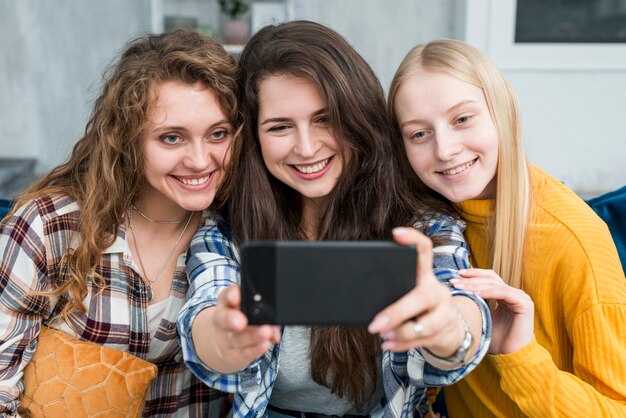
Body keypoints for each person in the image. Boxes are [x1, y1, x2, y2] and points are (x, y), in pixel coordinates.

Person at [177, 21, 492, 417]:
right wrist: (225, 336)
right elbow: (205, 315)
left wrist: (448, 329)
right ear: (254, 137)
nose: (307, 148)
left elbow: (461, 309)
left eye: (325, 119)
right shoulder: (226, 229)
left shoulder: (421, 222)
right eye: (280, 127)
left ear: (356, 114)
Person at [0, 29, 238, 416]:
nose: (199, 160)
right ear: (128, 138)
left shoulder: (236, 232)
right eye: (172, 138)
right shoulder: (50, 227)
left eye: (218, 134)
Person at [388, 38, 626, 417]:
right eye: (420, 134)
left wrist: (519, 355)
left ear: (503, 111)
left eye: (462, 119)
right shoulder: (430, 223)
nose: (445, 149)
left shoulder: (573, 240)